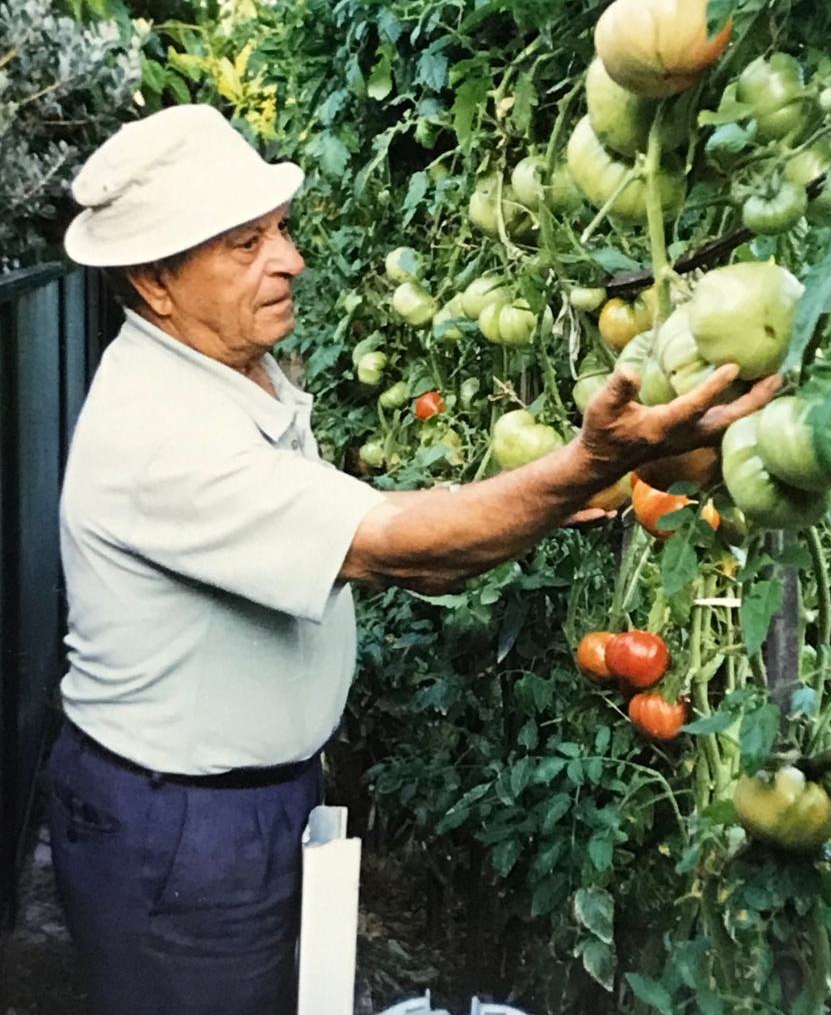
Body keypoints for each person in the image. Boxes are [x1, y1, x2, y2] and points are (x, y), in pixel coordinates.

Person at [49, 104, 780, 1015]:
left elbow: (378, 524)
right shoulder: (163, 432)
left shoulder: (229, 371)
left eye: (280, 230)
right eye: (246, 245)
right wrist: (594, 461)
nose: (291, 260)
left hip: (231, 803)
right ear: (155, 280)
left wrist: (566, 493)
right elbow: (410, 554)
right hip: (181, 827)